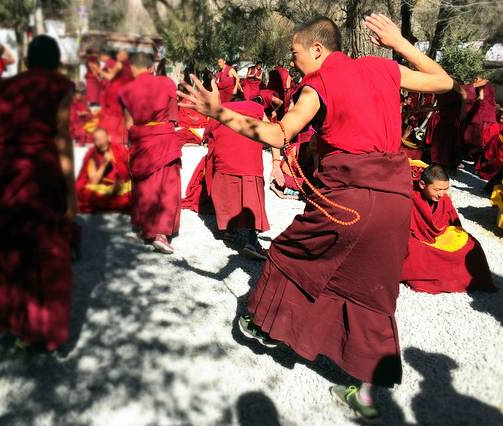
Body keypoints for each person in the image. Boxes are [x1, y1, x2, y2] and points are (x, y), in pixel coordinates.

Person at [179, 14, 453, 422]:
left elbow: (279, 134)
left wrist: (219, 112)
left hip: (349, 201)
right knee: (372, 293)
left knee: (290, 253)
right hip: (396, 202)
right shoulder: (382, 67)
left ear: (318, 49)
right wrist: (399, 43)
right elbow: (444, 82)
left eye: (295, 53)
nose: (293, 62)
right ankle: (366, 396)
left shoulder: (318, 84)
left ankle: (266, 327)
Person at [0, 35, 75, 351]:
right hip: (41, 173)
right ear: (57, 62)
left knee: (9, 243)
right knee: (45, 249)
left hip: (8, 171)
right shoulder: (60, 86)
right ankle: (39, 328)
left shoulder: (5, 87)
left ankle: (8, 319)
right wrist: (71, 192)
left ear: (26, 61)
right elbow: (62, 137)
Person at [119, 52, 181, 254]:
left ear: (132, 68)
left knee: (145, 186)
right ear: (151, 67)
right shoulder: (168, 83)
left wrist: (129, 145)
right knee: (166, 187)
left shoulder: (126, 90)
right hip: (164, 139)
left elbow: (127, 123)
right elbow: (173, 117)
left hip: (141, 140)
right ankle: (161, 234)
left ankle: (144, 227)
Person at [400, 164, 496, 294]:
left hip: (439, 234)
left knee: (472, 245)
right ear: (422, 184)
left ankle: (469, 280)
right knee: (414, 249)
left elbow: (453, 222)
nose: (442, 194)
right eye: (437, 189)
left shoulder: (444, 198)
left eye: (445, 189)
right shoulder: (409, 197)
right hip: (416, 237)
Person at [202, 94, 269, 259]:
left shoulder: (220, 111)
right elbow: (269, 132)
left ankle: (229, 231)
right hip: (249, 164)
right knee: (253, 201)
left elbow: (206, 138)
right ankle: (252, 242)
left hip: (225, 164)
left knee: (228, 195)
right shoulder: (256, 108)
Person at [75, 128, 132, 213]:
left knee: (136, 188)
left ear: (109, 138)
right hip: (103, 189)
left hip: (122, 186)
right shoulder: (92, 154)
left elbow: (131, 169)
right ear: (94, 143)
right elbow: (93, 181)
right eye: (97, 140)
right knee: (87, 192)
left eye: (102, 138)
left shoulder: (119, 149)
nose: (101, 142)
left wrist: (120, 184)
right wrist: (104, 164)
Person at [99, 50, 134, 144]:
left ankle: (113, 138)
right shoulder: (131, 66)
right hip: (127, 93)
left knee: (114, 116)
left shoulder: (119, 64)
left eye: (119, 53)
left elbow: (109, 77)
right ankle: (124, 139)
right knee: (125, 117)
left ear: (124, 55)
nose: (117, 55)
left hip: (116, 94)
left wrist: (99, 71)